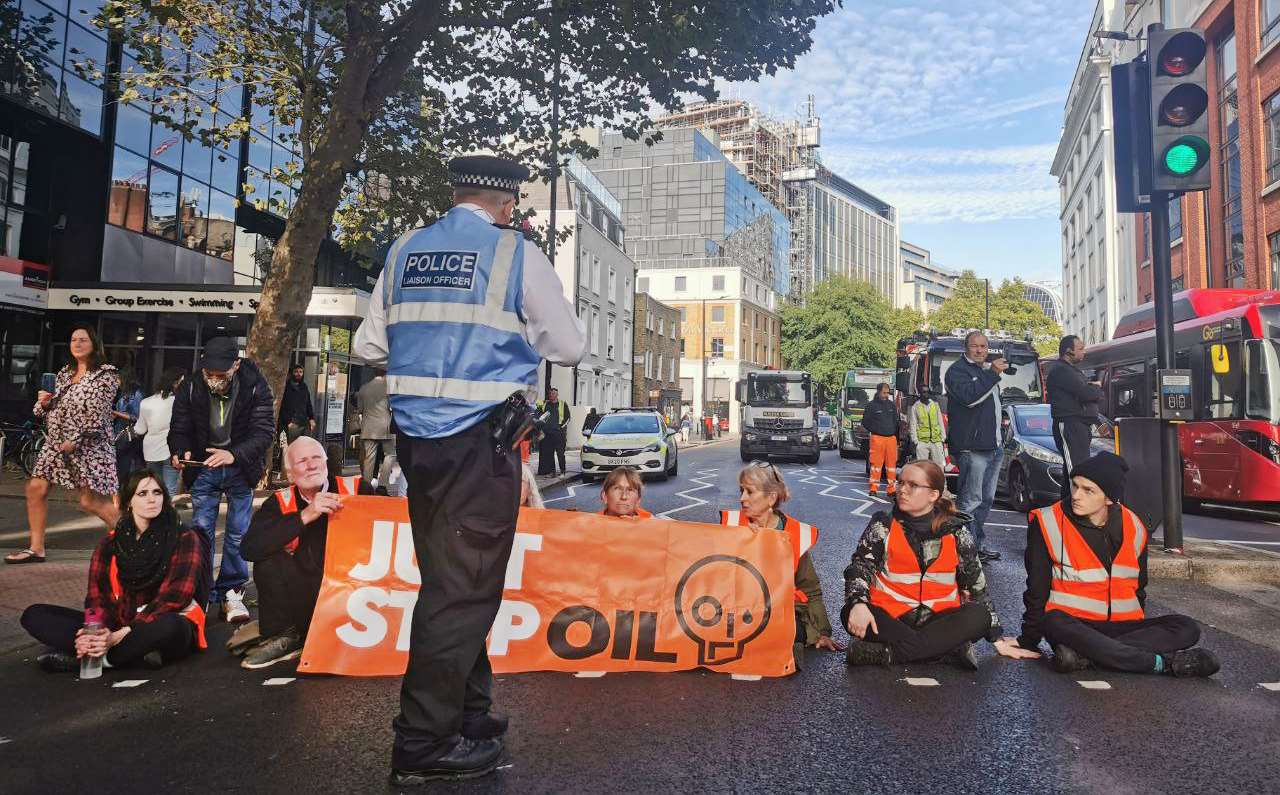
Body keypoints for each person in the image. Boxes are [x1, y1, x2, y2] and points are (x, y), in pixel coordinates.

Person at [352, 154, 585, 785]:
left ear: (455, 192)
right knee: (463, 588)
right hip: (480, 446)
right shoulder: (515, 255)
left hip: (416, 446)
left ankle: (468, 711)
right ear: (507, 204)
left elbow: (366, 346)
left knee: (453, 578)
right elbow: (569, 346)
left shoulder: (405, 250)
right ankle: (423, 743)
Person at [999, 452, 1220, 677]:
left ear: (1109, 498)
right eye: (1075, 486)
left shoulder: (1134, 525)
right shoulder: (1046, 521)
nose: (1076, 495)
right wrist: (1028, 641)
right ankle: (1162, 664)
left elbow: (1138, 587)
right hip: (1074, 627)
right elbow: (1036, 589)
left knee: (1186, 627)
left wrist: (1135, 631)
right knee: (1053, 620)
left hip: (1122, 626)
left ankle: (1088, 657)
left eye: (1088, 490)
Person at [842, 460, 1033, 668]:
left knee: (979, 616)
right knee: (848, 613)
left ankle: (886, 654)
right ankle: (944, 650)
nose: (902, 490)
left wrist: (996, 638)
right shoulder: (883, 524)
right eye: (900, 483)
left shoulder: (956, 532)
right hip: (891, 617)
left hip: (938, 619)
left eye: (912, 485)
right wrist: (858, 603)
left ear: (933, 495)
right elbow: (860, 567)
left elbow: (976, 584)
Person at [19, 470, 206, 672]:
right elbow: (96, 596)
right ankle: (122, 654)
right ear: (127, 502)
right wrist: (95, 632)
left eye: (157, 492)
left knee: (172, 627)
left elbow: (176, 595)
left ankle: (101, 659)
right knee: (34, 615)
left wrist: (119, 635)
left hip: (158, 621)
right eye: (142, 494)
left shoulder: (183, 537)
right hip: (117, 623)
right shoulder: (110, 542)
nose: (152, 499)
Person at [238, 437, 373, 669]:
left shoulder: (358, 488)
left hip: (357, 593)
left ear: (326, 463)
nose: (311, 465)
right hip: (308, 594)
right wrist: (305, 516)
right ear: (290, 475)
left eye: (316, 458)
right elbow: (250, 548)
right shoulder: (279, 502)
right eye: (302, 461)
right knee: (267, 561)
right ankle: (287, 636)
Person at [168, 336, 275, 623]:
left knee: (238, 532)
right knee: (202, 532)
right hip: (203, 468)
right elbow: (179, 426)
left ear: (236, 365)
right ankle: (201, 592)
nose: (214, 379)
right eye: (209, 374)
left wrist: (234, 455)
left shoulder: (255, 386)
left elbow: (264, 432)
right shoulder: (191, 386)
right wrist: (180, 449)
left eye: (221, 374)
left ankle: (231, 591)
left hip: (240, 468)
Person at [6, 325, 121, 565]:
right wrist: (44, 403)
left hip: (89, 446)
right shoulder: (64, 373)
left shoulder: (106, 375)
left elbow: (98, 415)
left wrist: (76, 439)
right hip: (57, 442)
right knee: (35, 488)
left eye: (83, 340)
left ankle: (136, 540)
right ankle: (36, 548)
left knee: (90, 502)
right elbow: (47, 409)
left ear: (94, 344)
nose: (77, 344)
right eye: (73, 340)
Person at [721, 463, 843, 652]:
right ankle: (783, 647)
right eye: (741, 490)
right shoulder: (732, 526)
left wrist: (822, 632)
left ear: (771, 498)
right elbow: (713, 574)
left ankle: (785, 645)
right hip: (739, 610)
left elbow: (810, 588)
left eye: (749, 492)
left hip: (781, 611)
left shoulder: (794, 533)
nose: (742, 498)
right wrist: (743, 541)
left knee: (795, 630)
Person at [944, 331, 1006, 562]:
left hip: (993, 446)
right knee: (969, 501)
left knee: (986, 500)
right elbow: (970, 398)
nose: (980, 350)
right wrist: (992, 374)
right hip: (972, 448)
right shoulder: (956, 372)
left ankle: (976, 545)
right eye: (975, 346)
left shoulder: (983, 372)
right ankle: (961, 548)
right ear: (966, 347)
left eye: (984, 346)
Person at [1048, 334, 1104, 504]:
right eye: (1080, 349)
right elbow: (1086, 393)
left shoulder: (1071, 371)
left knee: (1074, 469)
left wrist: (1092, 389)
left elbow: (1086, 392)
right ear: (1068, 351)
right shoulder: (1061, 370)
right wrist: (1095, 389)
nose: (1083, 352)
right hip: (1070, 423)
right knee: (1076, 470)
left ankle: (1070, 507)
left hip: (1079, 423)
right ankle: (1075, 507)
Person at [134, 367, 185, 497]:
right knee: (169, 489)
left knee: (155, 489)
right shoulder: (179, 402)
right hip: (171, 450)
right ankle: (170, 517)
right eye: (183, 382)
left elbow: (140, 429)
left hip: (151, 450)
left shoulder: (146, 402)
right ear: (175, 383)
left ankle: (157, 516)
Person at [861, 382, 900, 496]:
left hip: (891, 439)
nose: (886, 395)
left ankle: (891, 489)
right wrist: (876, 430)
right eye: (884, 393)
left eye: (887, 393)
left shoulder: (892, 405)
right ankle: (873, 488)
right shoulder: (871, 405)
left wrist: (895, 437)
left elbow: (896, 422)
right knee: (876, 465)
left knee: (891, 465)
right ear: (878, 392)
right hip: (877, 438)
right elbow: (865, 422)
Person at [357, 369, 394, 483]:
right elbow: (391, 407)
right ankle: (382, 483)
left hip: (368, 428)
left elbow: (360, 409)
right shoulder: (388, 388)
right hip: (385, 427)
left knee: (369, 457)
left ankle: (367, 486)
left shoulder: (364, 388)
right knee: (390, 454)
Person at [112, 371, 145, 485]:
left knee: (127, 467)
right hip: (121, 434)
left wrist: (116, 413)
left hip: (130, 435)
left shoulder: (136, 395)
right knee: (121, 467)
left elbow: (137, 417)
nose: (116, 382)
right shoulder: (124, 394)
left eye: (118, 379)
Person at [278, 364, 317, 443]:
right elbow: (281, 406)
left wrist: (311, 418)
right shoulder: (286, 387)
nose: (298, 374)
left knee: (303, 448)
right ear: (292, 373)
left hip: (303, 424)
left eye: (301, 372)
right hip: (289, 425)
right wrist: (288, 422)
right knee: (289, 448)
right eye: (296, 372)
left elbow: (308, 404)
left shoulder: (304, 387)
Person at [536, 387, 570, 476]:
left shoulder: (562, 404)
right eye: (550, 394)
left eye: (554, 394)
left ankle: (563, 471)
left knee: (560, 454)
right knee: (549, 454)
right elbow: (539, 414)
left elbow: (568, 418)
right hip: (547, 433)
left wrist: (561, 427)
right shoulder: (545, 404)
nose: (552, 395)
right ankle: (552, 472)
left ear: (557, 395)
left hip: (558, 433)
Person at [909, 388, 946, 470]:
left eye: (927, 392)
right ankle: (923, 483)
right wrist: (915, 440)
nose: (925, 394)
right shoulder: (915, 407)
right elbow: (913, 424)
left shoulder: (935, 405)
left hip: (936, 440)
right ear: (920, 393)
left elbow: (940, 421)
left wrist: (943, 437)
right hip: (922, 441)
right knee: (922, 467)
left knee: (939, 466)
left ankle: (941, 483)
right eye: (923, 392)